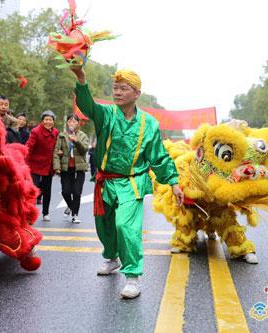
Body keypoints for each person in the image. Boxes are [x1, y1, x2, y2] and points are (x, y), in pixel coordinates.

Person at [70, 66, 184, 299]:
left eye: (124, 89)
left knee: (126, 227)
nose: (118, 92)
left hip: (132, 183)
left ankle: (132, 276)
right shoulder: (106, 114)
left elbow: (158, 155)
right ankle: (111, 258)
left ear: (136, 93)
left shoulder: (149, 123)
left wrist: (173, 181)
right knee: (105, 224)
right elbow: (87, 106)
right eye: (115, 88)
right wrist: (81, 78)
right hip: (106, 181)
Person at [53, 114, 89, 224]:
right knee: (65, 191)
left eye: (74, 122)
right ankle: (70, 206)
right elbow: (56, 152)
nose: (72, 123)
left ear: (78, 124)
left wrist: (76, 141)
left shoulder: (83, 135)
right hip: (66, 168)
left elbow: (84, 150)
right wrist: (57, 167)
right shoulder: (62, 135)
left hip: (79, 168)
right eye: (70, 121)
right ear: (67, 123)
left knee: (77, 193)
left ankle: (75, 215)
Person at [27, 110, 59, 221]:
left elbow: (58, 147)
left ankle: (46, 213)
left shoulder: (56, 132)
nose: (48, 122)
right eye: (46, 119)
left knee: (47, 191)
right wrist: (24, 163)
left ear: (53, 122)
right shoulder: (35, 132)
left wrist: (60, 152)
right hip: (35, 165)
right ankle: (30, 213)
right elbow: (29, 148)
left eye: (51, 120)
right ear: (42, 121)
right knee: (33, 191)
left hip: (48, 166)